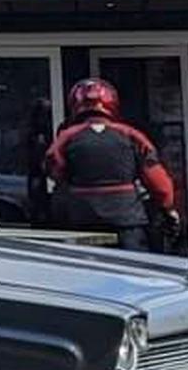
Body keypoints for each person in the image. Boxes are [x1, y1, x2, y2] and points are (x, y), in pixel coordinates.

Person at [45, 79, 177, 251]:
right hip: (127, 222)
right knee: (134, 273)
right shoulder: (131, 135)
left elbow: (53, 170)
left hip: (82, 221)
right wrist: (168, 208)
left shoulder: (66, 137)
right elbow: (159, 183)